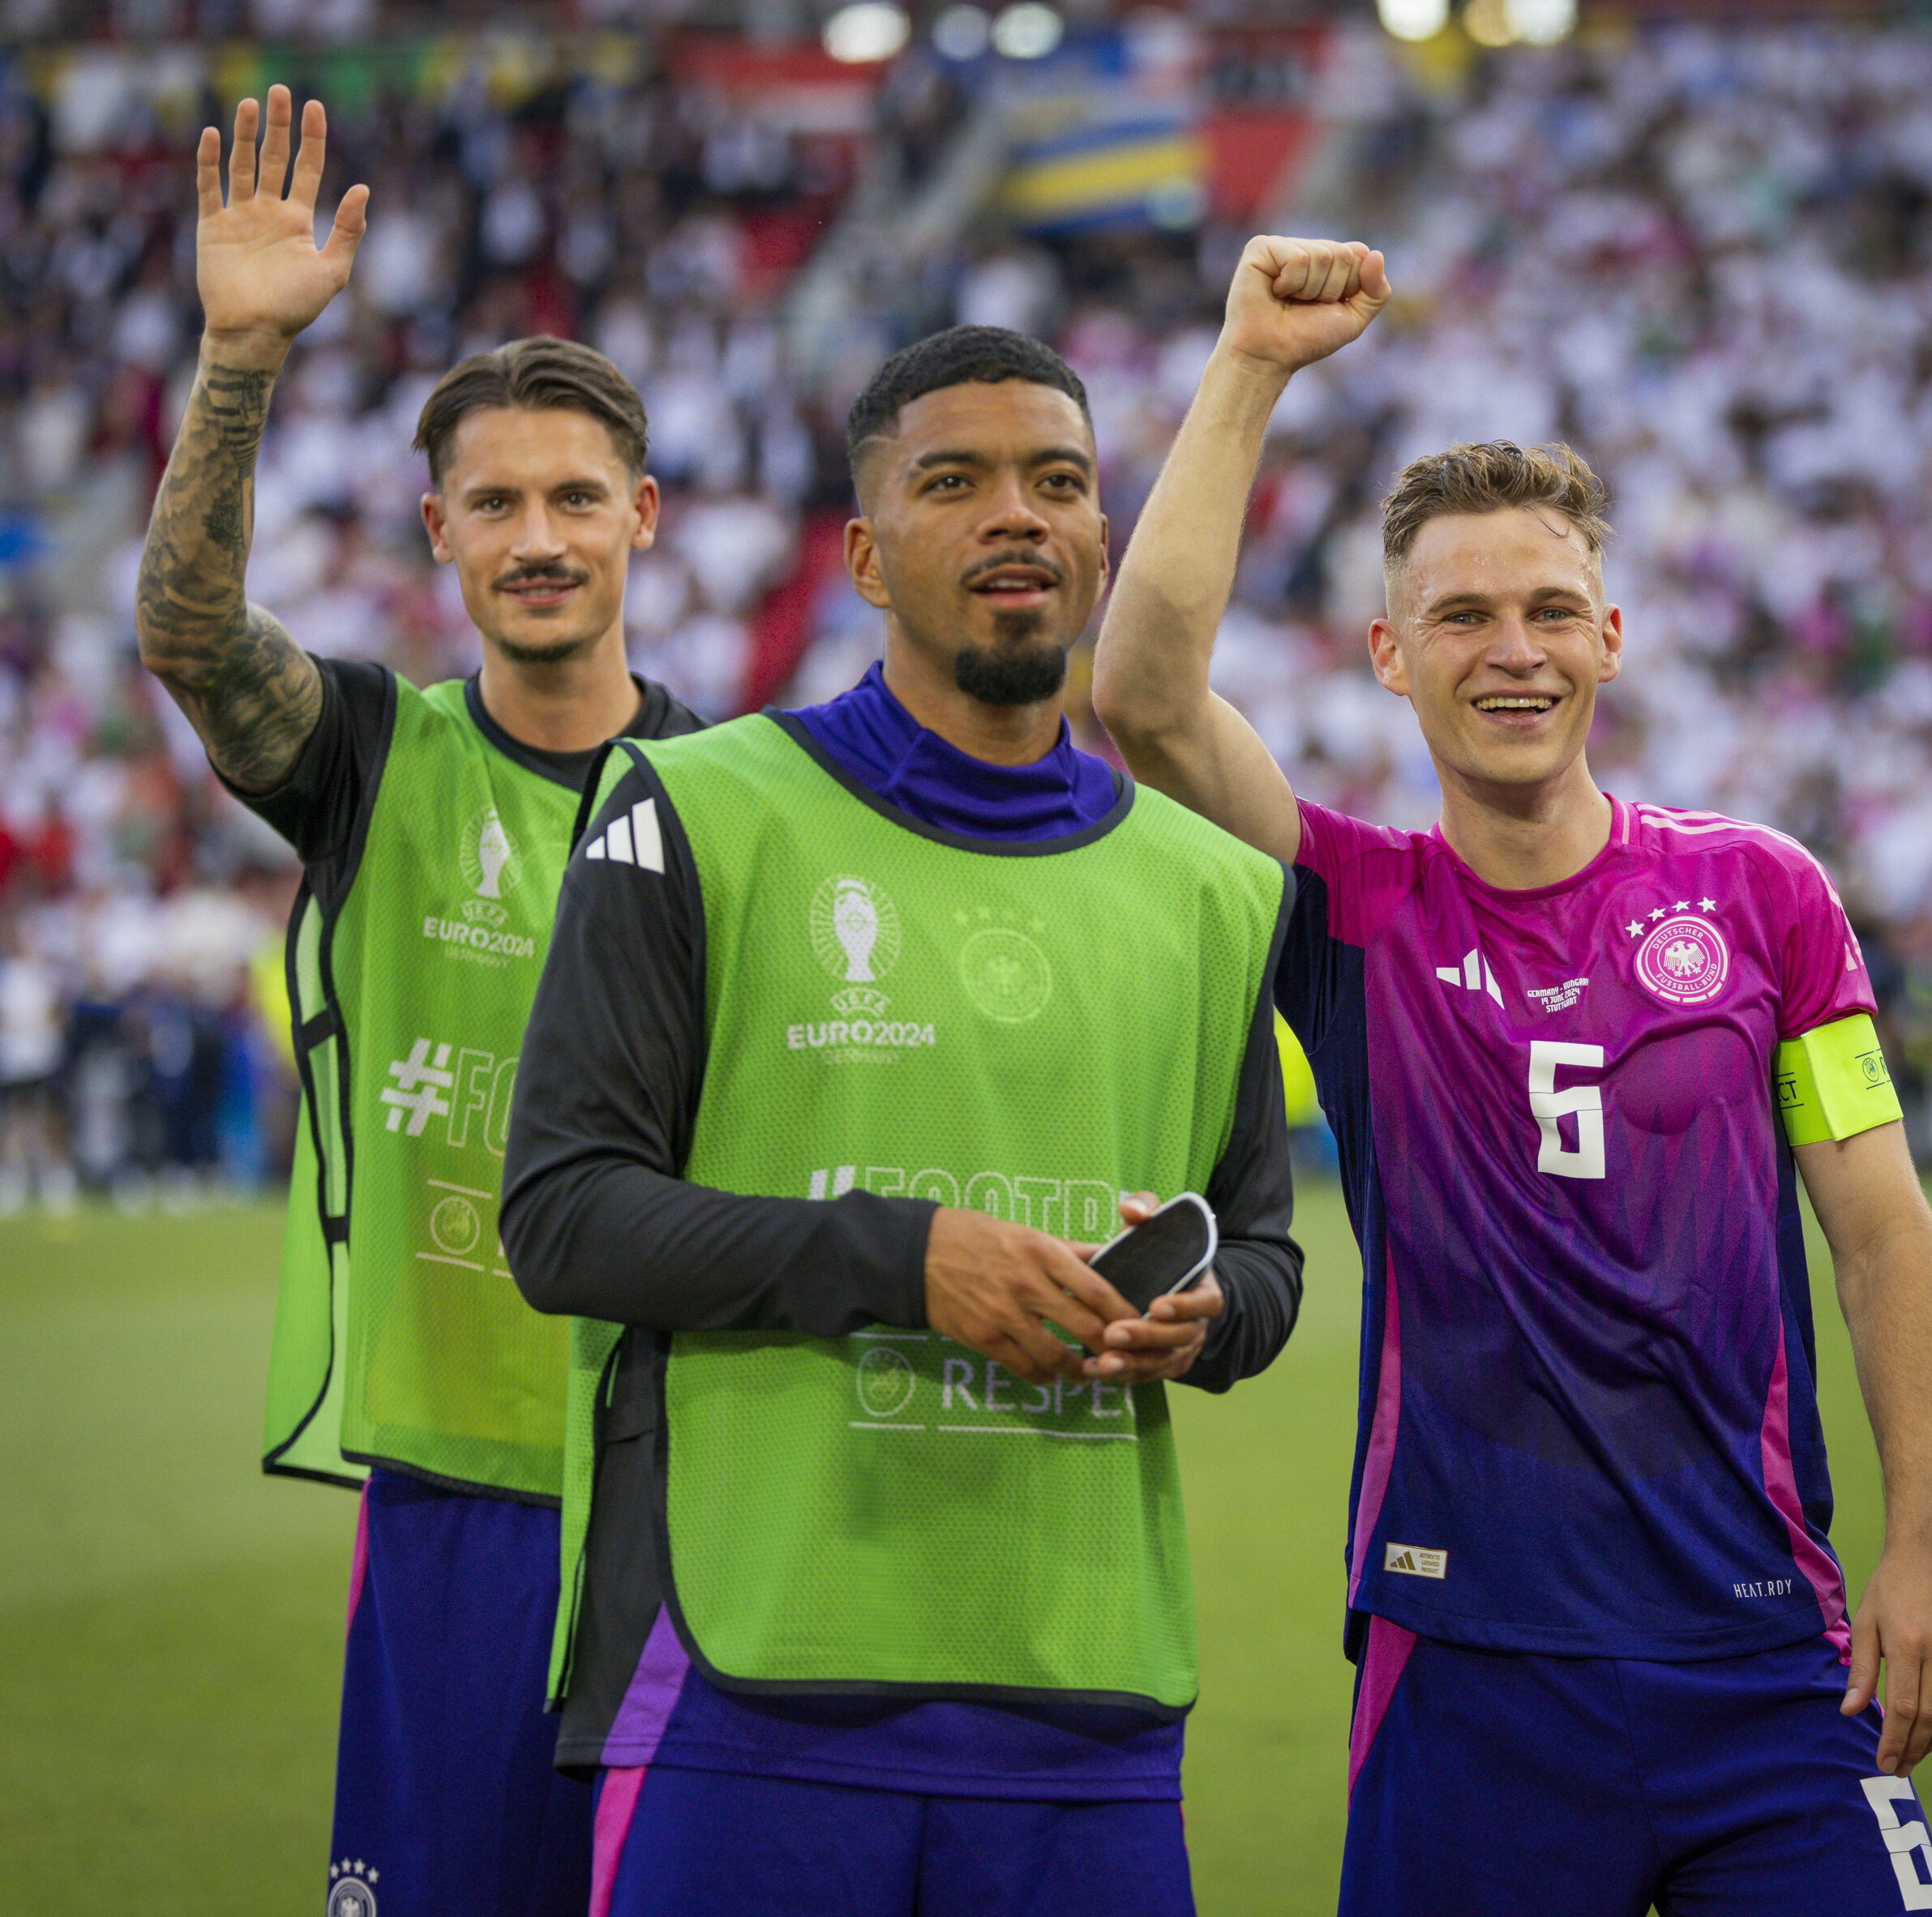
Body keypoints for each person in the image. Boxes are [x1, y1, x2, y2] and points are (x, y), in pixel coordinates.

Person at [1090, 236, 1932, 1915]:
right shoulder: (1348, 909)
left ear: (1612, 635)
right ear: (1386, 652)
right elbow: (1138, 698)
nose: (1513, 649)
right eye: (1462, 615)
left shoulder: (1763, 895)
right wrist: (1248, 369)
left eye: (1549, 609)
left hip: (1768, 1653)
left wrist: (1923, 1543)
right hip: (1467, 1661)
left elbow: (1876, 1229)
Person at [498, 324, 1303, 1917]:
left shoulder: (1218, 888)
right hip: (749, 1686)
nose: (1016, 515)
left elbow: (1263, 1255)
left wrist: (1202, 1315)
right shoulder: (691, 810)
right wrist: (902, 1258)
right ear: (866, 552)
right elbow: (562, 1212)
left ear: (1095, 533)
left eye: (1056, 483)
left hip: (1090, 1699)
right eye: (956, 482)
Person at [133, 87, 701, 1917]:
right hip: (456, 1488)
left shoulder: (749, 788)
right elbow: (192, 639)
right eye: (496, 502)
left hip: (701, 1492)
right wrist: (237, 364)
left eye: (573, 497)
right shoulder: (374, 753)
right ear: (437, 528)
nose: (538, 536)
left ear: (642, 519)